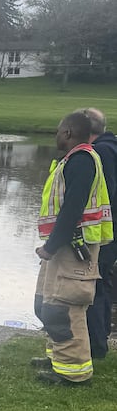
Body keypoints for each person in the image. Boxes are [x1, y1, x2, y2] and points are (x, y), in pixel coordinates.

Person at [33, 110, 113, 385]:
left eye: (58, 130)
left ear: (68, 133)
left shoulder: (82, 161)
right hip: (64, 246)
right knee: (47, 304)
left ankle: (74, 373)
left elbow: (72, 209)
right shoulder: (71, 160)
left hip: (74, 247)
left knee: (65, 307)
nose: (56, 135)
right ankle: (58, 357)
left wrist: (51, 246)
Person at [86, 107, 117, 359]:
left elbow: (102, 196)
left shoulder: (101, 153)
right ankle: (101, 337)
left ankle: (95, 344)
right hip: (111, 230)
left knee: (93, 284)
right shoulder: (112, 146)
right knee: (103, 282)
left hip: (104, 232)